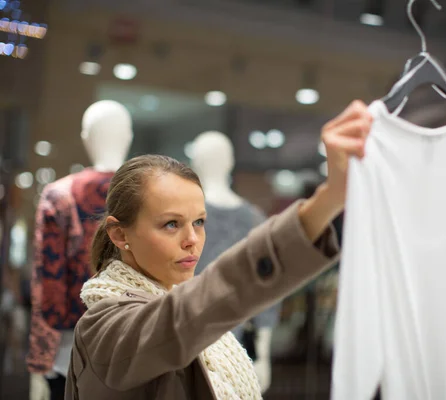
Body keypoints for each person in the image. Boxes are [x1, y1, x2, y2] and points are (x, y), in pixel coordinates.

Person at [64, 100, 373, 399]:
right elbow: (189, 313)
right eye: (171, 224)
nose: (192, 239)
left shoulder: (198, 326)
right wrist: (328, 200)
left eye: (199, 222)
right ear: (119, 234)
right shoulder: (105, 328)